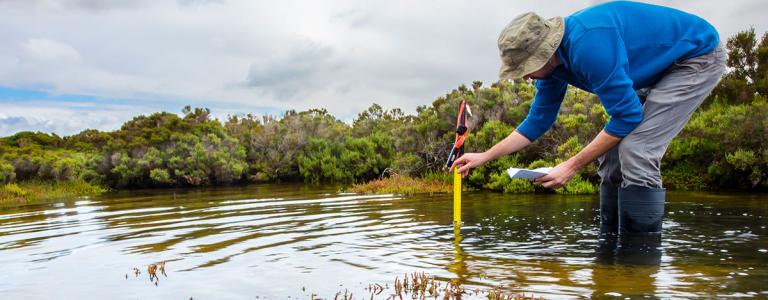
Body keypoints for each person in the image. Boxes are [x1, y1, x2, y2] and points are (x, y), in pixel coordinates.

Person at [451, 1, 726, 234]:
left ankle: (638, 264)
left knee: (636, 149)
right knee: (611, 155)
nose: (525, 75)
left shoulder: (589, 45)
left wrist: (571, 166)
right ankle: (609, 253)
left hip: (694, 58)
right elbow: (538, 121)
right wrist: (485, 156)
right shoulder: (553, 69)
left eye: (528, 67)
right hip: (654, 69)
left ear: (546, 53)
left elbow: (627, 116)